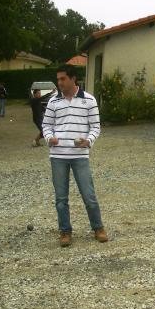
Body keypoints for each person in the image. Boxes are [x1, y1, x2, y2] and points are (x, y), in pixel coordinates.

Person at [42, 64, 108, 247]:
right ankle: (65, 231)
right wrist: (49, 138)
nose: (59, 82)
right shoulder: (53, 101)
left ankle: (98, 228)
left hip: (80, 155)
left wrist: (89, 141)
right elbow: (46, 125)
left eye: (63, 79)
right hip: (58, 155)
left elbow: (96, 126)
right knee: (61, 198)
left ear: (73, 79)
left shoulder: (89, 100)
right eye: (58, 79)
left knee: (89, 194)